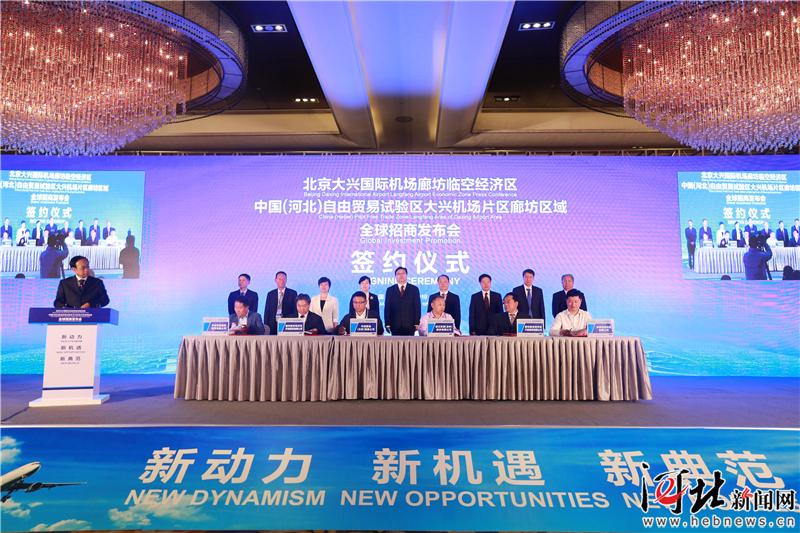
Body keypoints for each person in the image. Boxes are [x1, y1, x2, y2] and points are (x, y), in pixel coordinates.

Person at [384, 266, 421, 336]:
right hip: (395, 325)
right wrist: (387, 323)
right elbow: (387, 308)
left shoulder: (414, 289)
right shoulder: (390, 290)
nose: (401, 275)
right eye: (398, 274)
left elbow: (417, 307)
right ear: (395, 276)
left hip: (410, 325)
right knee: (395, 343)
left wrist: (417, 322)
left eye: (403, 273)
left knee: (409, 343)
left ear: (406, 275)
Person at [264, 271, 297, 335]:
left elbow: (295, 310)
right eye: (279, 279)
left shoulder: (293, 293)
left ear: (286, 280)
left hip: (287, 324)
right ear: (275, 280)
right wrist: (266, 326)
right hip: (272, 324)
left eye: (284, 279)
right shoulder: (270, 294)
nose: (282, 281)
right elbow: (267, 311)